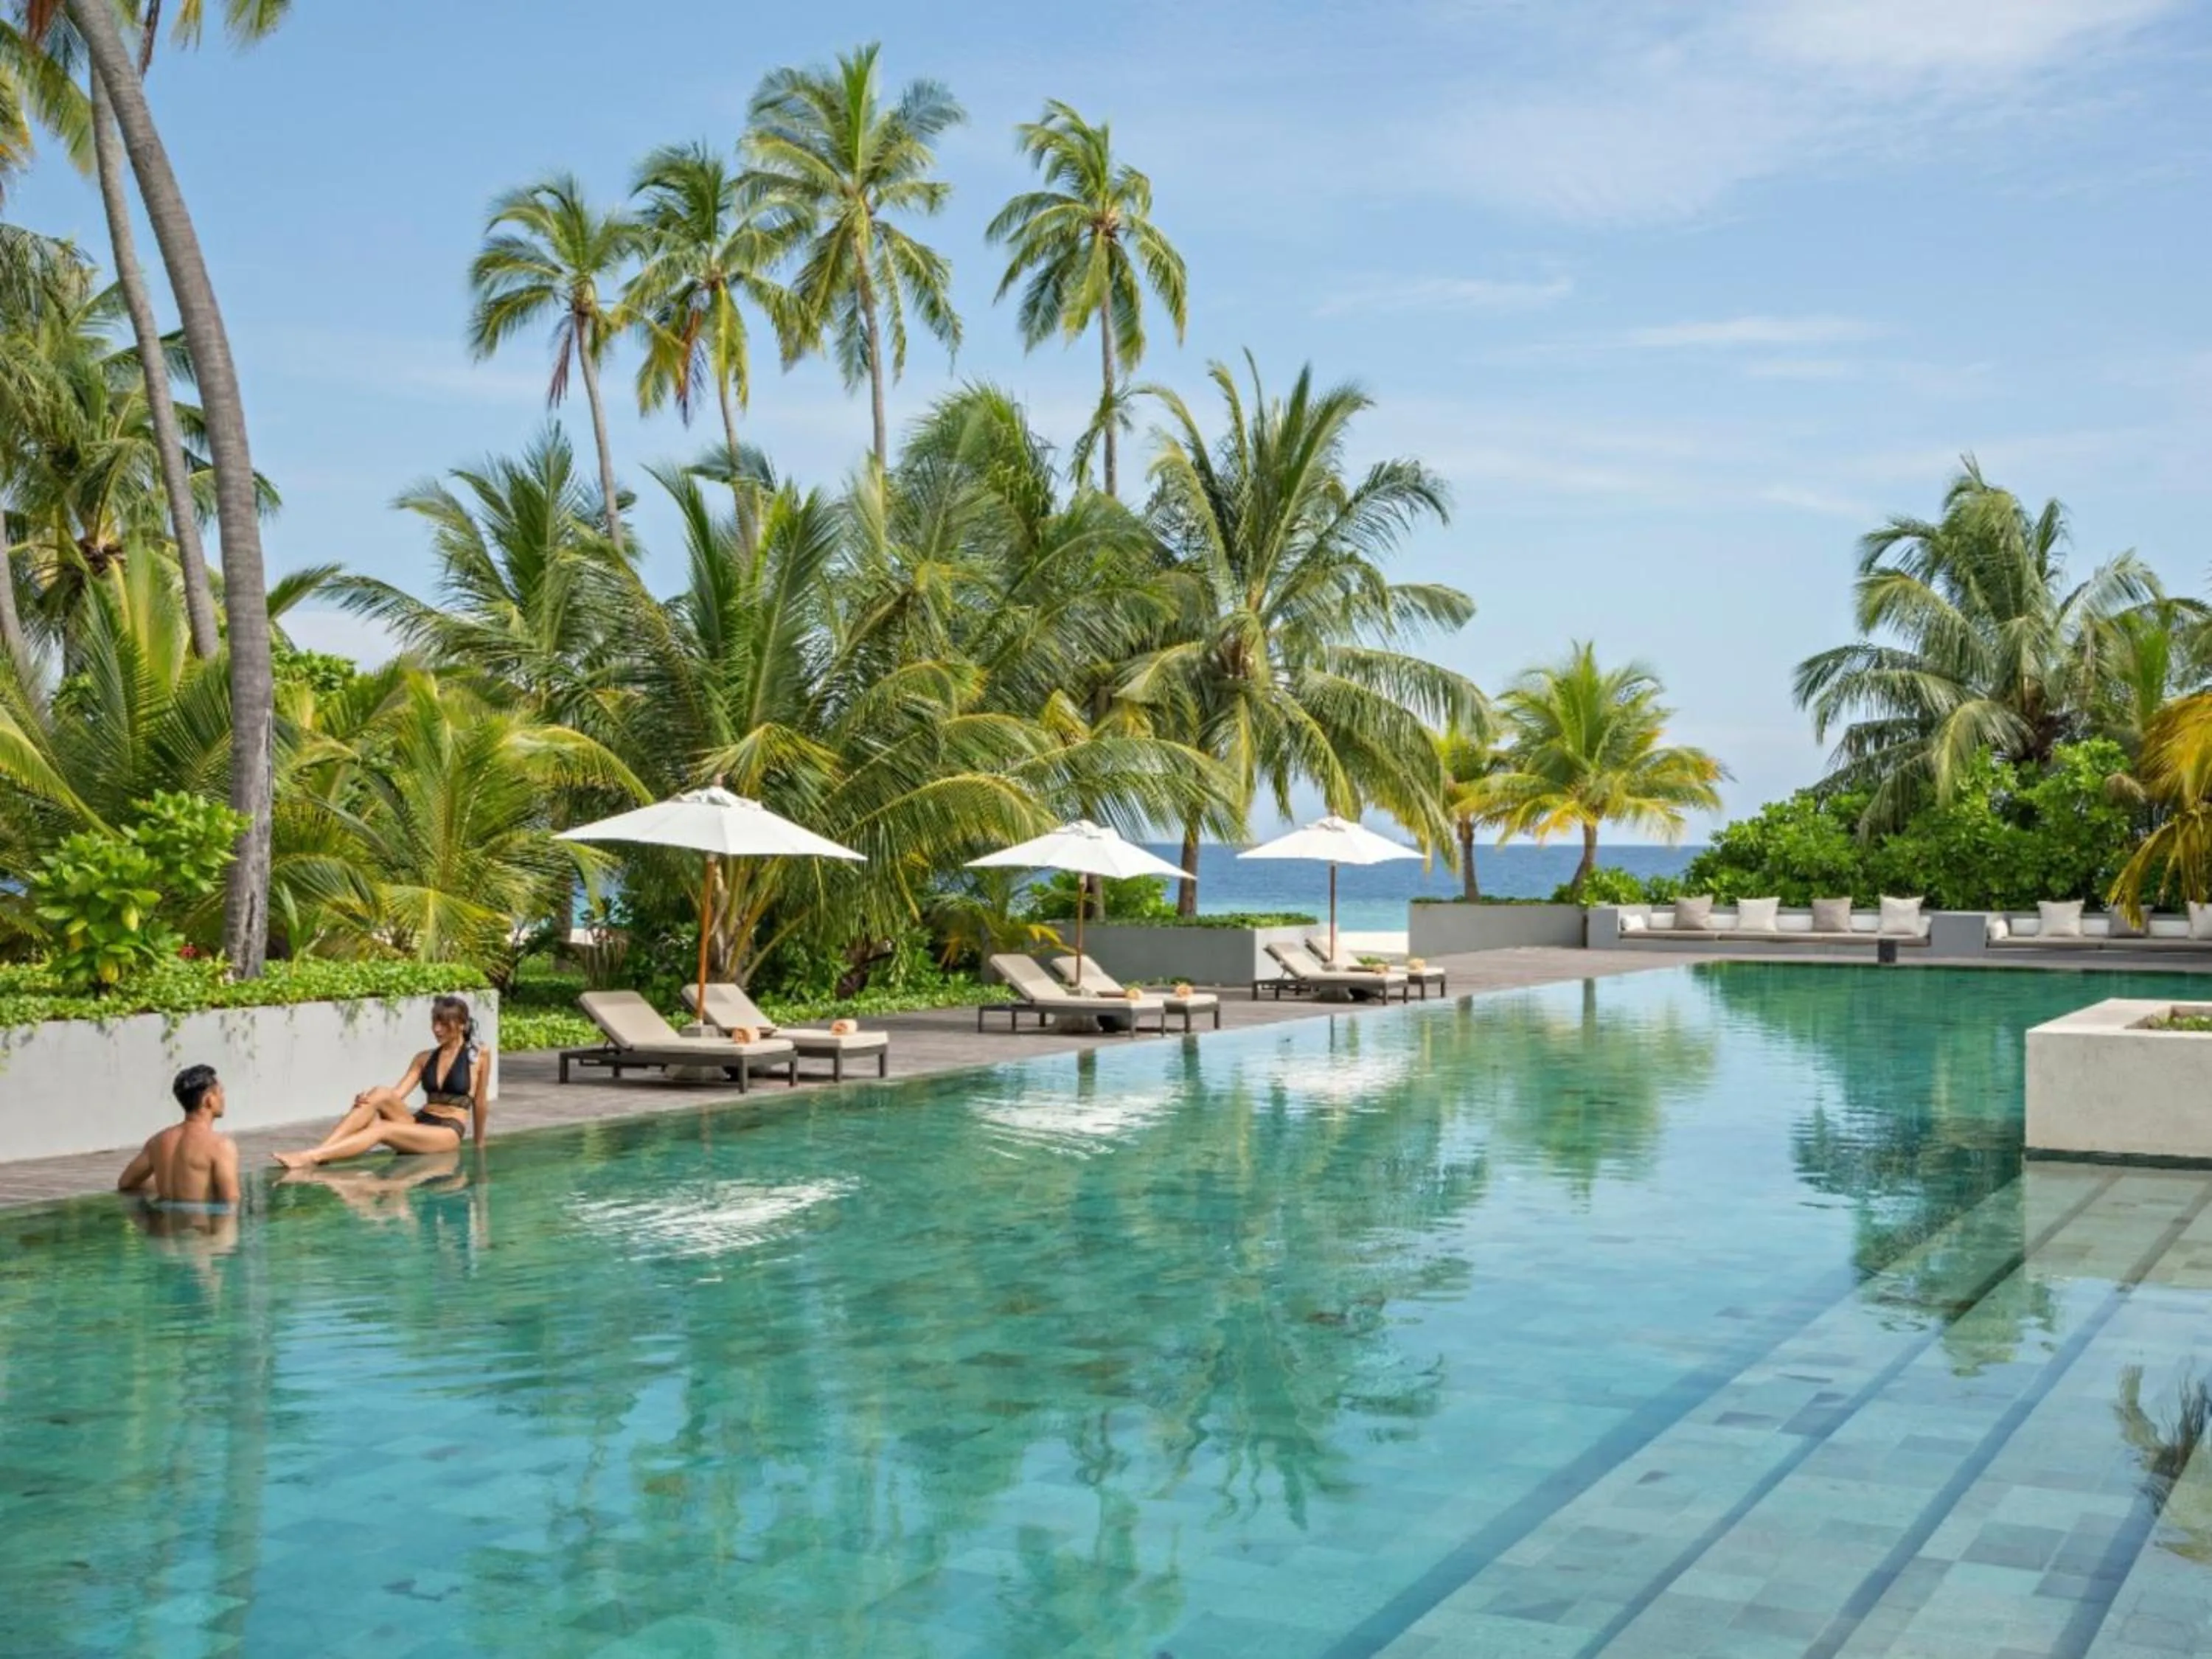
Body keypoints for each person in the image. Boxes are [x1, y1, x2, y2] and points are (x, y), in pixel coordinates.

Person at [273, 995, 491, 1169]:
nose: (437, 1029)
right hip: (418, 1122)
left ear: (462, 1024)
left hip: (448, 1131)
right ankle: (323, 1152)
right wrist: (366, 1103)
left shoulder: (480, 1055)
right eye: (435, 1022)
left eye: (444, 1024)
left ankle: (312, 1156)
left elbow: (480, 1101)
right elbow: (394, 1097)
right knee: (378, 1093)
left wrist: (479, 1145)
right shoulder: (424, 1058)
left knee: (382, 1128)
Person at [117, 1063, 241, 1206]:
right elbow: (231, 1204)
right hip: (201, 1227)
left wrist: (166, 1185)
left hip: (165, 1227)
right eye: (221, 1092)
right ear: (209, 1099)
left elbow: (125, 1183)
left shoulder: (157, 1142)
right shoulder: (221, 1146)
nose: (223, 1098)